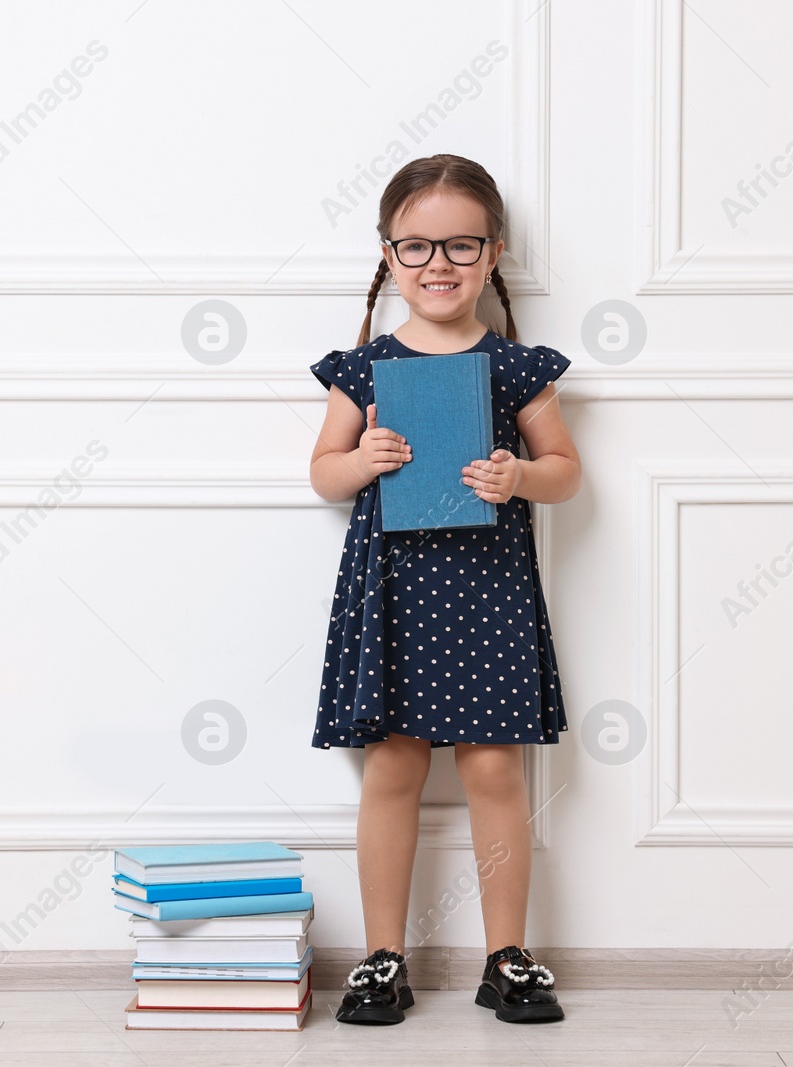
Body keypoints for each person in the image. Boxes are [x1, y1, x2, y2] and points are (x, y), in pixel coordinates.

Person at [306, 153, 580, 1025]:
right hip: (395, 588)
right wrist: (363, 459)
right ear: (388, 257)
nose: (439, 265)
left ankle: (508, 956)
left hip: (488, 586)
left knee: (496, 767)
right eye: (416, 247)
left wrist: (517, 476)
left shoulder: (514, 367)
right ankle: (384, 956)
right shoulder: (367, 369)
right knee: (393, 762)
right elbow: (321, 472)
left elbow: (567, 472)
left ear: (492, 253)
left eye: (461, 245)